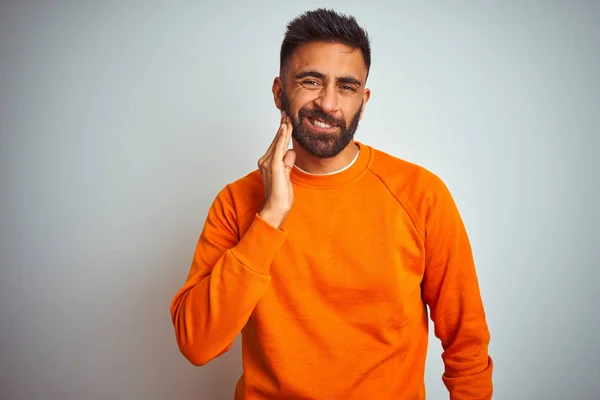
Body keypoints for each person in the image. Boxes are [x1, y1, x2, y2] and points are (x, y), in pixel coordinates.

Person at [170, 8, 493, 400]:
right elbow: (197, 343)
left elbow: (467, 344)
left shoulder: (421, 194)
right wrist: (270, 217)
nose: (328, 103)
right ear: (279, 91)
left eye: (346, 86)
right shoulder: (237, 203)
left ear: (364, 98)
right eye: (311, 81)